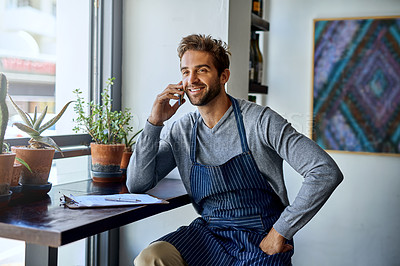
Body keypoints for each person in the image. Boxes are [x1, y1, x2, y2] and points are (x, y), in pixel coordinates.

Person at [127, 34, 343, 266]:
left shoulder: (260, 121)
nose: (192, 79)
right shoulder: (182, 130)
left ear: (223, 76)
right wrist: (154, 122)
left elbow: (325, 171)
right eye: (185, 71)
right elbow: (137, 184)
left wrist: (280, 232)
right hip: (210, 234)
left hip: (260, 236)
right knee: (151, 258)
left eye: (202, 70)